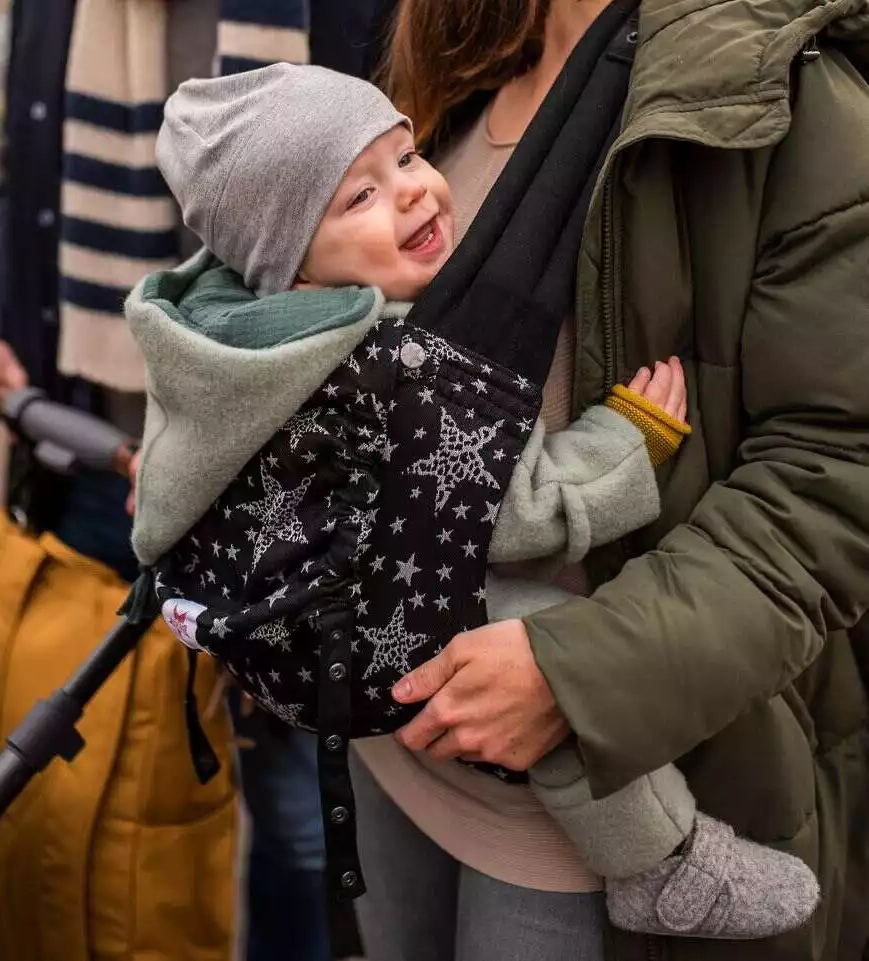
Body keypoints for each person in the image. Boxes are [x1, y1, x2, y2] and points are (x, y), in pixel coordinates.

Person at [127, 61, 817, 942]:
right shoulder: (388, 366)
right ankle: (660, 860)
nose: (415, 194)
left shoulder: (212, 330)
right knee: (552, 655)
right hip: (370, 640)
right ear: (287, 256)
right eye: (359, 198)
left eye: (407, 156)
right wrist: (628, 438)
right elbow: (507, 510)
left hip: (282, 629)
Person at [336, 0, 868, 959]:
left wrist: (575, 674)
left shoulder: (786, 89)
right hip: (395, 745)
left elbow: (832, 474)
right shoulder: (450, 74)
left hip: (600, 809)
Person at [0, 3, 378, 960]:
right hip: (91, 442)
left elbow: (410, 194)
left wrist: (257, 453)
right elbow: (24, 172)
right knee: (97, 789)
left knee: (295, 810)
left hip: (290, 468)